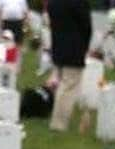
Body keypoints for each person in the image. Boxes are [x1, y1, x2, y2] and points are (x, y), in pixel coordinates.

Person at [47, 0, 91, 132]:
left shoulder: (54, 3)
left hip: (58, 46)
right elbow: (86, 26)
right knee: (68, 87)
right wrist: (85, 46)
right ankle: (59, 124)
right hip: (74, 48)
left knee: (62, 84)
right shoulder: (78, 2)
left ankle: (57, 119)